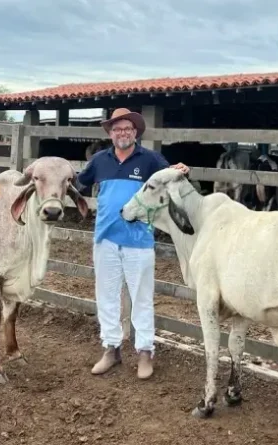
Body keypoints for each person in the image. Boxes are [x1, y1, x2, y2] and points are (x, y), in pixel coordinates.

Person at [74, 107, 189, 380]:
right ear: (110, 134)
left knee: (141, 297)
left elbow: (171, 178)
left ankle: (145, 352)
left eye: (127, 129)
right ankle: (111, 349)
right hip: (105, 238)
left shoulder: (149, 160)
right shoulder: (100, 160)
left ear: (135, 133)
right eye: (117, 129)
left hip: (139, 240)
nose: (122, 133)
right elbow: (78, 183)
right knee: (107, 296)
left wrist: (182, 170)